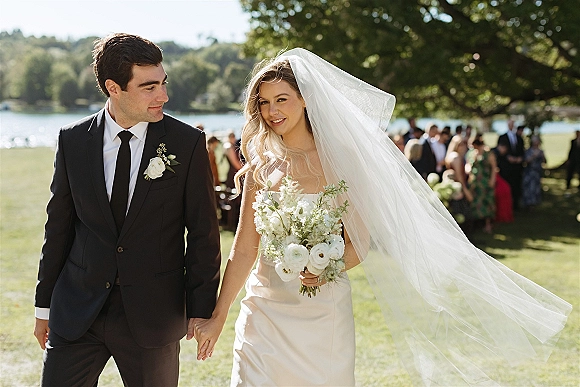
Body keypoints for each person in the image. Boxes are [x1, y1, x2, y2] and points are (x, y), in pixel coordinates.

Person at [192, 48, 571, 386]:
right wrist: (219, 315)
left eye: (282, 99)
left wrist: (326, 267)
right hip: (265, 312)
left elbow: (360, 243)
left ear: (306, 100)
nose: (272, 111)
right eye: (263, 102)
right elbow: (243, 248)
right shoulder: (260, 167)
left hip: (323, 310)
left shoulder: (341, 163)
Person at [33, 33, 221, 386]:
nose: (163, 95)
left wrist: (201, 310)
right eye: (149, 87)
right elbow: (57, 228)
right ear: (113, 88)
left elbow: (203, 234)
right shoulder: (72, 141)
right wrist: (44, 307)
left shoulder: (186, 143)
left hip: (154, 315)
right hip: (78, 310)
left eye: (163, 83)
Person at [466, 133, 497, 233]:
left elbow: (493, 167)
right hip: (474, 182)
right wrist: (468, 169)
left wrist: (492, 180)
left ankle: (488, 224)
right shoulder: (471, 153)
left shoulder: (487, 152)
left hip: (485, 181)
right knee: (474, 202)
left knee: (487, 201)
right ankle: (475, 224)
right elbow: (467, 164)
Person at [497, 120, 525, 210]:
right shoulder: (502, 137)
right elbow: (500, 151)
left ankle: (516, 205)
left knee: (517, 186)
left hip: (517, 167)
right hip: (506, 167)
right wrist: (508, 157)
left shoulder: (519, 138)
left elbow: (522, 151)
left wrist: (520, 158)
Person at [521, 135, 547, 209]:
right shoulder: (528, 151)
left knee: (536, 188)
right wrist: (533, 156)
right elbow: (525, 161)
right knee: (528, 188)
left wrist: (543, 156)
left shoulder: (541, 151)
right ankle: (528, 203)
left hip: (537, 172)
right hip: (529, 172)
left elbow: (545, 162)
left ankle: (534, 202)